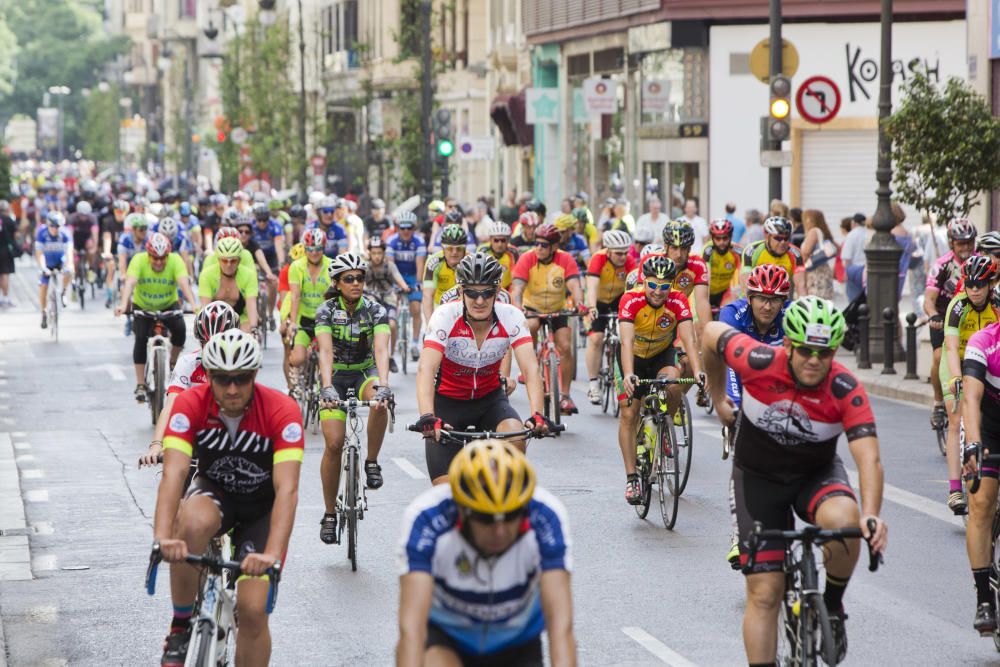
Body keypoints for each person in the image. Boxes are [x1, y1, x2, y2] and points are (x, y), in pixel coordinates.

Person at [701, 297, 887, 666]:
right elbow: (709, 333)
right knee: (766, 593)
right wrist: (719, 396)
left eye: (825, 352)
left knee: (846, 521)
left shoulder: (844, 387)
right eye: (805, 350)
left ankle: (831, 607)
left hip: (814, 475)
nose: (815, 360)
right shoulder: (757, 360)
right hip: (759, 479)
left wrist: (872, 514)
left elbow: (869, 458)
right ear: (787, 344)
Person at [153, 330, 303, 667]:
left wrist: (272, 556)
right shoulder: (190, 404)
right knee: (189, 524)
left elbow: (288, 491)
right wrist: (163, 536)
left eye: (241, 379)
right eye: (222, 379)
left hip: (261, 509)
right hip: (215, 493)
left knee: (251, 612)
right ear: (207, 375)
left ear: (254, 375)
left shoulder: (282, 410)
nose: (232, 389)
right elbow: (174, 475)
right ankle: (180, 626)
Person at [396, 441, 575, 667]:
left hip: (517, 642)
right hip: (449, 637)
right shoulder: (426, 519)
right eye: (485, 518)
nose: (500, 530)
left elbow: (561, 629)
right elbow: (411, 631)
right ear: (462, 510)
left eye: (510, 515)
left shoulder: (547, 517)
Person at [414, 253, 552, 483]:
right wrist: (427, 416)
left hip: (490, 400)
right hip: (448, 402)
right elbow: (426, 370)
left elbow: (530, 368)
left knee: (515, 438)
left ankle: (500, 502)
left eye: (487, 292)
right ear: (461, 292)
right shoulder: (445, 316)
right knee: (444, 491)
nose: (480, 300)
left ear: (497, 292)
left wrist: (538, 413)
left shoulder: (512, 316)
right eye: (472, 292)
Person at [315, 252, 394, 543]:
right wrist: (326, 387)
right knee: (334, 444)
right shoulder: (325, 310)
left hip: (364, 372)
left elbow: (382, 350)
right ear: (336, 283)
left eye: (360, 277)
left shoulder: (375, 310)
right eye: (349, 279)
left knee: (380, 399)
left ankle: (371, 461)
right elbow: (324, 352)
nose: (356, 283)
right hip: (334, 376)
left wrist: (384, 384)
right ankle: (329, 514)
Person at [617, 255, 703, 505]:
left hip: (661, 354)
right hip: (632, 356)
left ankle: (664, 426)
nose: (658, 292)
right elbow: (626, 342)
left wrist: (697, 371)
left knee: (674, 384)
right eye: (653, 285)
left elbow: (688, 339)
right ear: (644, 281)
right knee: (629, 413)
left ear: (672, 286)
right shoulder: (631, 299)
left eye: (664, 287)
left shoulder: (678, 300)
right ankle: (632, 478)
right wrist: (629, 374)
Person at [140, 301, 241, 467]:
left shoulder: (243, 365)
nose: (214, 352)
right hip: (197, 436)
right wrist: (157, 445)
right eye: (207, 345)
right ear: (200, 342)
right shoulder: (188, 362)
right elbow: (171, 405)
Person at [941, 255, 999, 515]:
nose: (974, 290)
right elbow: (952, 347)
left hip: (985, 361)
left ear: (990, 285)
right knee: (956, 417)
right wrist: (955, 377)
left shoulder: (996, 305)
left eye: (980, 285)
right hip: (957, 361)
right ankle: (955, 489)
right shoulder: (957, 306)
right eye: (970, 284)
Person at [511, 223, 588, 415]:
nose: (538, 248)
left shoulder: (565, 259)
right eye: (536, 243)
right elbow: (518, 288)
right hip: (532, 308)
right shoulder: (527, 258)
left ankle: (565, 395)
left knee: (565, 345)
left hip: (557, 309)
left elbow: (574, 285)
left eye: (544, 245)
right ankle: (531, 363)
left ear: (554, 246)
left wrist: (579, 302)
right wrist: (518, 307)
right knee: (532, 325)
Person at [116, 232, 197, 402]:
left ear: (168, 255)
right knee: (140, 339)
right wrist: (124, 305)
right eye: (155, 258)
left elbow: (183, 283)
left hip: (169, 304)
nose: (159, 262)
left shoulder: (175, 260)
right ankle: (140, 384)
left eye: (163, 258)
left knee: (181, 330)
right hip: (143, 306)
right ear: (148, 255)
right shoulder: (138, 260)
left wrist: (194, 305)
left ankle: (172, 363)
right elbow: (130, 283)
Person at [960, 312, 1000, 634]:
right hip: (987, 429)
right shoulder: (983, 343)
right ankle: (984, 599)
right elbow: (971, 399)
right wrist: (973, 444)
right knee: (982, 501)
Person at [925, 218, 978, 433]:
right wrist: (933, 315)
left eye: (969, 243)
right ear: (951, 243)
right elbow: (929, 299)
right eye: (960, 243)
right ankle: (939, 402)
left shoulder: (980, 263)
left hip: (972, 319)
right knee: (939, 357)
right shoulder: (942, 266)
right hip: (944, 319)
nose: (965, 248)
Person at [585, 230, 637, 404]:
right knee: (596, 338)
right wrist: (592, 307)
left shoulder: (629, 261)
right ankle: (593, 385)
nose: (623, 257)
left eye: (625, 252)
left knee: (627, 336)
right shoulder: (598, 259)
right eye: (618, 253)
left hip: (617, 299)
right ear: (608, 251)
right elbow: (591, 286)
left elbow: (635, 288)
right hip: (598, 300)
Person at [286, 228, 334, 396]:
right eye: (310, 249)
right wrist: (292, 322)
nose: (314, 253)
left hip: (324, 320)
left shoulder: (331, 266)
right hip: (304, 319)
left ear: (324, 248)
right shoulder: (296, 267)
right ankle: (297, 381)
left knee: (328, 359)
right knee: (298, 358)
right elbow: (295, 296)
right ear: (305, 249)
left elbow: (334, 297)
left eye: (318, 249)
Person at [363, 236, 410, 373]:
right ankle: (370, 354)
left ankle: (390, 357)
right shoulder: (365, 266)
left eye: (379, 253)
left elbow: (398, 277)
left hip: (389, 297)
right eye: (374, 253)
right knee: (369, 325)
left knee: (392, 325)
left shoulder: (389, 265)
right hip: (372, 297)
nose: (376, 256)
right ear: (369, 253)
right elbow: (359, 279)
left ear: (383, 253)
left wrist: (405, 287)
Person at [386, 210, 427, 362]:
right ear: (397, 228)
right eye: (402, 228)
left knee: (416, 308)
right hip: (396, 276)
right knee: (392, 307)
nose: (405, 231)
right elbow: (390, 264)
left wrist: (417, 283)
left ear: (414, 228)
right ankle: (394, 343)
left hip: (412, 276)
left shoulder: (419, 242)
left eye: (409, 228)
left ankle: (415, 344)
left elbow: (420, 263)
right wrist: (395, 284)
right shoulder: (391, 241)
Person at [198, 236, 259, 332]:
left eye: (233, 260)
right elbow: (206, 307)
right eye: (224, 260)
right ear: (218, 260)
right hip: (215, 319)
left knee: (248, 335)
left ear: (239, 260)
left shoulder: (249, 275)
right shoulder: (206, 275)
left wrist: (254, 328)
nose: (228, 265)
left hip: (240, 317)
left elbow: (251, 304)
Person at [740, 215, 806, 297]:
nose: (782, 242)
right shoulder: (752, 251)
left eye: (786, 238)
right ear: (767, 236)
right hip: (756, 298)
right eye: (778, 238)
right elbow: (745, 284)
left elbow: (801, 286)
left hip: (781, 300)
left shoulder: (796, 254)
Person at [421, 223, 469, 324]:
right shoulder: (434, 262)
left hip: (465, 308)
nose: (454, 252)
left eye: (459, 248)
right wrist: (430, 326)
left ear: (464, 248)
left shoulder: (471, 261)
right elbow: (427, 296)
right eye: (450, 248)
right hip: (440, 308)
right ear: (443, 248)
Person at [35, 211, 73, 328]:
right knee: (43, 286)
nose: (55, 229)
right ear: (48, 225)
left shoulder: (65, 234)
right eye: (52, 226)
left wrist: (68, 266)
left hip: (60, 261)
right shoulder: (42, 233)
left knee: (69, 271)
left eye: (58, 226)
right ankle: (44, 312)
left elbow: (69, 253)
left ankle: (64, 292)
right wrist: (43, 267)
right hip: (46, 262)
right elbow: (39, 254)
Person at [702, 218, 742, 311]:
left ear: (731, 237)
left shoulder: (736, 251)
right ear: (712, 238)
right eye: (718, 238)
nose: (721, 242)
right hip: (707, 291)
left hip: (723, 293)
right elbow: (704, 277)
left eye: (725, 238)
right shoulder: (707, 251)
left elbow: (743, 276)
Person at [800, 209, 838, 300]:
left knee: (814, 302)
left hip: (815, 272)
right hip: (823, 270)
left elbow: (805, 252)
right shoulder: (822, 231)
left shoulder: (813, 232)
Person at [477, 220, 519, 289]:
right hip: (487, 288)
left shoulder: (513, 252)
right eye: (496, 240)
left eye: (503, 240)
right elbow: (478, 274)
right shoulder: (482, 250)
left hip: (507, 289)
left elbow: (516, 276)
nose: (499, 244)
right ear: (490, 239)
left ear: (508, 240)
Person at [840, 213, 868, 303]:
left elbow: (847, 257)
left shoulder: (851, 235)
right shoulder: (869, 233)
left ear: (854, 223)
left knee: (853, 299)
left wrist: (845, 272)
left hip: (854, 269)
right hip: (868, 269)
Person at [0, 200, 19, 307]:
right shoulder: (9, 220)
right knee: (5, 274)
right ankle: (5, 298)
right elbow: (16, 235)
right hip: (6, 250)